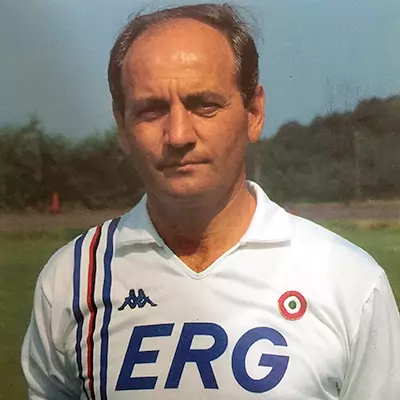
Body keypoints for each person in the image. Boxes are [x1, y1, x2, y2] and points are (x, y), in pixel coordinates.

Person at [21, 3, 400, 399]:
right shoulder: (72, 280)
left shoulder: (347, 280)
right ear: (122, 125)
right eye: (151, 110)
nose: (178, 135)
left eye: (204, 105)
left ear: (254, 112)